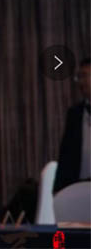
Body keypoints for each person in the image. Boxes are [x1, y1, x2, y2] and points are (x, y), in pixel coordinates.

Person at [54, 58, 91, 193]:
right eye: (79, 77)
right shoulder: (75, 113)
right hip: (78, 187)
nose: (81, 82)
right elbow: (66, 154)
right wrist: (59, 189)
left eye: (85, 76)